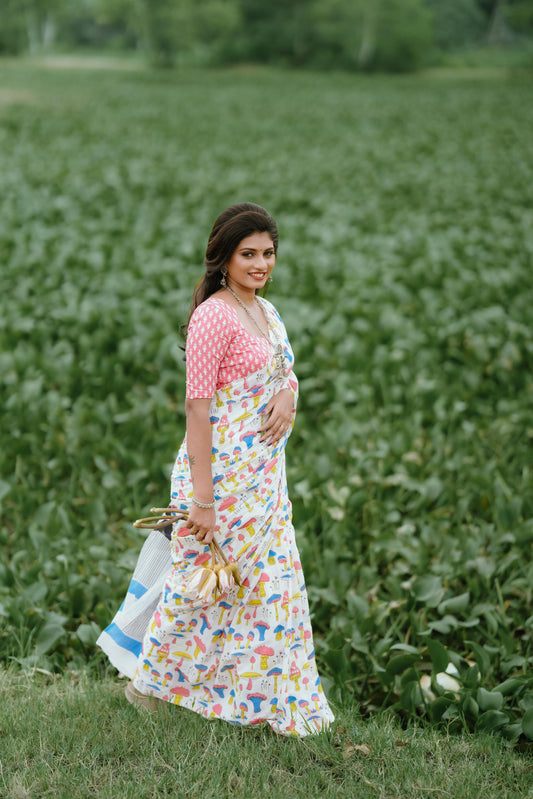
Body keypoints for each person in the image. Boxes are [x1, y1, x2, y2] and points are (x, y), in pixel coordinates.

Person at [97, 203, 334, 736]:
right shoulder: (213, 317)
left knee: (272, 587)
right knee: (203, 586)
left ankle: (277, 706)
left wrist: (289, 397)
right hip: (219, 479)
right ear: (223, 258)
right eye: (248, 254)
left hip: (266, 481)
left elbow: (285, 372)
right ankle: (147, 686)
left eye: (267, 253)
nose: (260, 264)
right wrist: (202, 501)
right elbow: (196, 408)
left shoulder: (266, 312)